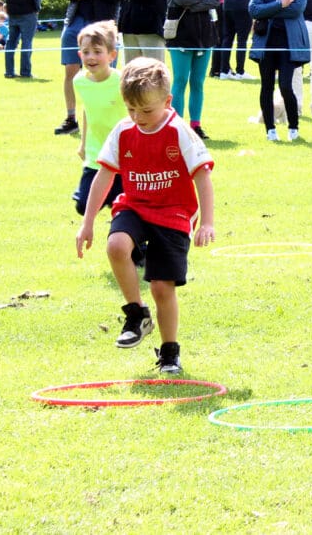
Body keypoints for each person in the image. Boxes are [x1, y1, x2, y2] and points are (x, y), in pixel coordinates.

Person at [75, 57, 215, 374]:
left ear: (167, 101)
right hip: (135, 205)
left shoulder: (179, 132)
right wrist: (87, 223)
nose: (138, 118)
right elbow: (103, 176)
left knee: (161, 288)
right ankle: (136, 314)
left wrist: (206, 222)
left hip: (174, 213)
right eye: (131, 110)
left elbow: (202, 176)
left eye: (147, 111)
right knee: (116, 246)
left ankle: (169, 352)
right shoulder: (124, 131)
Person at [54, 0, 127, 135]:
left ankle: (107, 121)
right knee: (70, 71)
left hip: (105, 22)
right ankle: (71, 118)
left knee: (106, 75)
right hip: (76, 19)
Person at [161, 0, 221, 140]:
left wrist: (194, 0)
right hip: (180, 33)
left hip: (204, 33)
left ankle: (195, 125)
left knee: (198, 82)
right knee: (180, 80)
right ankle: (176, 127)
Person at [248, 0, 310, 142]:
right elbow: (254, 9)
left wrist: (269, 10)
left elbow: (296, 9)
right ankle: (270, 130)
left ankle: (293, 128)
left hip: (289, 41)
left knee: (285, 85)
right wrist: (280, 4)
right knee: (266, 86)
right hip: (266, 41)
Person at [71, 21, 126, 216]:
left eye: (97, 51)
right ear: (80, 55)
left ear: (112, 55)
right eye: (86, 52)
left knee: (124, 209)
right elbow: (88, 109)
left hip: (124, 156)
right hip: (97, 155)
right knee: (83, 205)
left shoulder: (122, 81)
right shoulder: (79, 81)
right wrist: (83, 144)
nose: (91, 57)